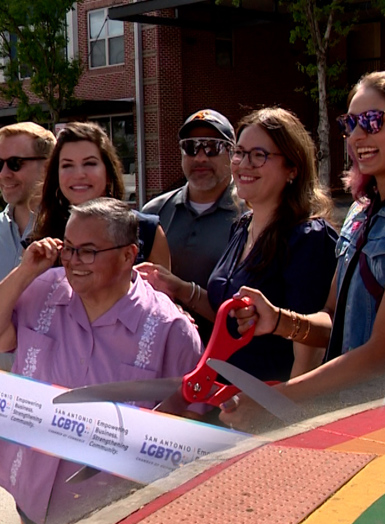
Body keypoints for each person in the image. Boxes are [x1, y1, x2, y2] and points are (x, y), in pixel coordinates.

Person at [222, 70, 385, 427]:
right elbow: (333, 320)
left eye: (372, 121)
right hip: (350, 417)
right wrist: (278, 320)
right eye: (350, 123)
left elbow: (382, 351)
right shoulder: (361, 210)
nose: (356, 136)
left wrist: (276, 399)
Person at [0, 198, 203, 524]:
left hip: (114, 512)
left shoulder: (170, 329)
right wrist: (26, 271)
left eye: (88, 251)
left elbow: (190, 432)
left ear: (128, 255)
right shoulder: (43, 289)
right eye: (69, 248)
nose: (74, 262)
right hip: (34, 491)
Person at [137, 108, 338, 382]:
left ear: (293, 167)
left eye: (259, 155)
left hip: (270, 406)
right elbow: (230, 315)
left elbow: (313, 343)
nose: (244, 164)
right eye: (240, 153)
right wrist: (178, 288)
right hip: (223, 395)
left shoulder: (308, 237)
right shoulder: (242, 226)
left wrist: (288, 408)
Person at [142, 109, 245, 337]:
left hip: (228, 356)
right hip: (162, 352)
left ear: (232, 153)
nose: (200, 157)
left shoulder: (249, 216)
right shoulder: (154, 213)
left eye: (212, 147)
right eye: (191, 147)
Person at [0, 121, 56, 371]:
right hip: (1, 384)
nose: (3, 174)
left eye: (15, 164)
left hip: (52, 388)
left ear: (48, 165)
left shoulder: (68, 229)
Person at [31, 122, 170, 268]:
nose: (79, 174)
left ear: (108, 172)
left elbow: (163, 288)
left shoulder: (146, 231)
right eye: (67, 165)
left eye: (90, 163)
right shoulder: (41, 239)